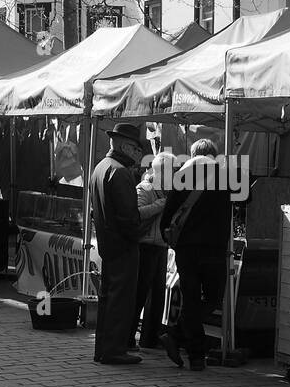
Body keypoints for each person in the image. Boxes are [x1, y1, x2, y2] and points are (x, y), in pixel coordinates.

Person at [159, 139, 232, 372]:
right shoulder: (226, 175)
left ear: (192, 155)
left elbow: (168, 212)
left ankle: (191, 349)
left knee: (191, 298)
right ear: (214, 155)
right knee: (212, 299)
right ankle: (184, 343)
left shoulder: (182, 176)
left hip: (186, 249)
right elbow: (247, 199)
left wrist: (168, 237)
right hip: (215, 249)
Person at [88, 122, 146, 366]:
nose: (138, 154)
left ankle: (104, 348)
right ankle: (114, 350)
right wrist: (137, 235)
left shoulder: (101, 167)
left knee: (108, 297)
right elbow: (128, 217)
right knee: (120, 299)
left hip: (108, 243)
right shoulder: (119, 172)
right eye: (135, 148)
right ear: (123, 145)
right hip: (122, 245)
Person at [133, 152, 169, 350]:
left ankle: (150, 338)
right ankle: (130, 336)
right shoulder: (144, 188)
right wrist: (161, 204)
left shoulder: (168, 191)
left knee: (157, 296)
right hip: (145, 246)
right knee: (140, 293)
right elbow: (137, 214)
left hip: (161, 246)